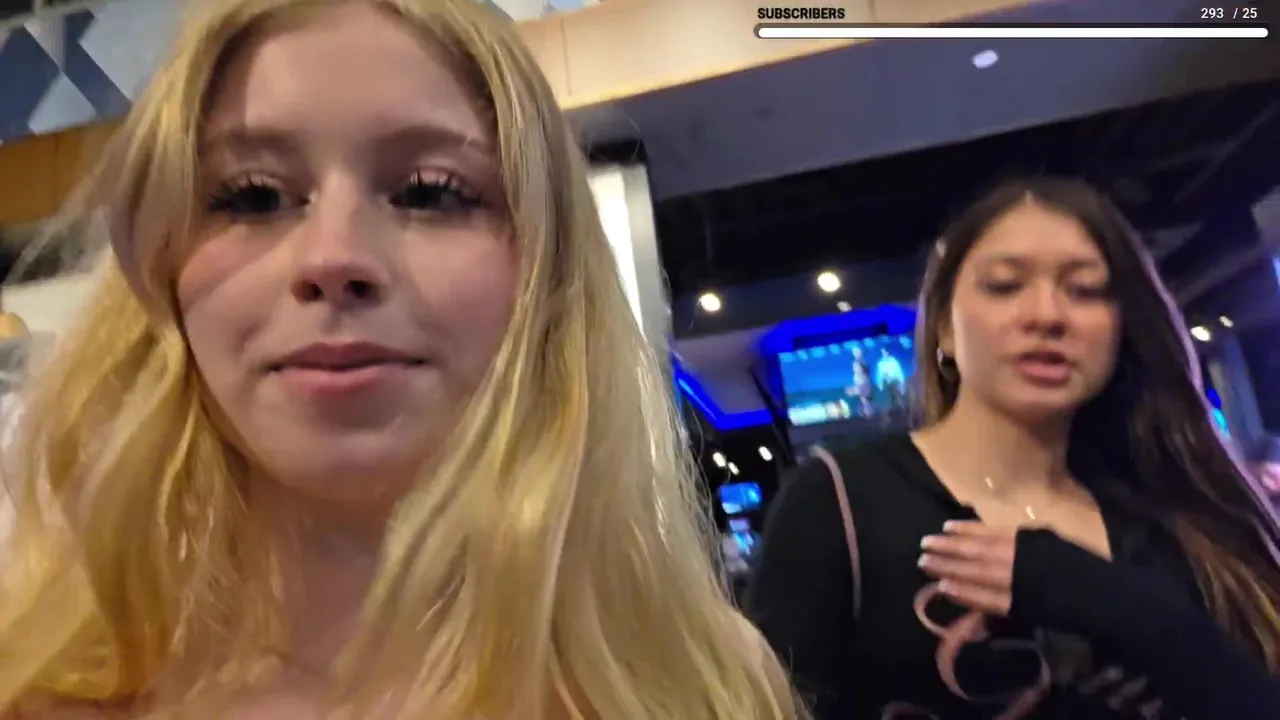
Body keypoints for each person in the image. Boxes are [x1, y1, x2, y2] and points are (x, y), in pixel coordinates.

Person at [0, 1, 804, 718]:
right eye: (252, 195)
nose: (334, 257)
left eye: (429, 190)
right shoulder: (38, 690)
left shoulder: (694, 684)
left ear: (544, 265)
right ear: (161, 266)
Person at [748, 177, 1280, 719]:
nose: (1047, 315)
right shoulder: (841, 501)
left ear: (1121, 329)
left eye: (1086, 290)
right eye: (1004, 286)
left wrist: (1096, 595)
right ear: (944, 330)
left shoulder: (1173, 513)